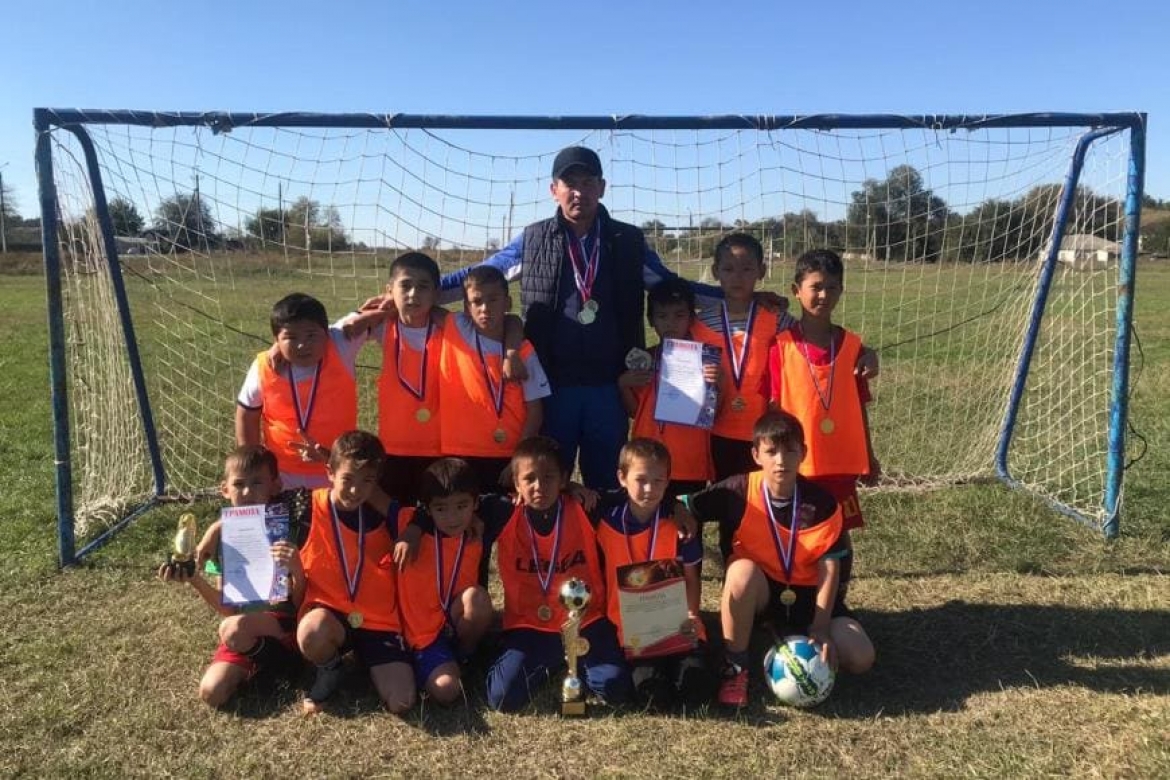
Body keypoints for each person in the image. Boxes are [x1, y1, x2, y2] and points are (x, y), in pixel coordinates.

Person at [439, 146, 727, 490]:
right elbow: (481, 274)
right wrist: (417, 294)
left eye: (588, 182)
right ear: (554, 190)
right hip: (553, 385)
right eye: (569, 183)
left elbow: (671, 286)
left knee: (607, 484)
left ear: (602, 187)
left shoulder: (627, 240)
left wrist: (741, 298)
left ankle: (605, 545)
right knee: (549, 483)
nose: (579, 192)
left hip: (610, 385)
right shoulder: (533, 239)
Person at [684, 411, 874, 707]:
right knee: (740, 573)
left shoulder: (822, 502)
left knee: (861, 657)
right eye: (771, 451)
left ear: (804, 453)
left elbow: (829, 568)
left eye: (790, 451)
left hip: (811, 601)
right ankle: (736, 666)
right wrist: (675, 511)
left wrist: (821, 625)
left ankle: (797, 637)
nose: (781, 460)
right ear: (756, 454)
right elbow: (688, 505)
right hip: (763, 595)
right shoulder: (737, 490)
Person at [475, 436, 632, 712]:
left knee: (616, 689)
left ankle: (570, 662)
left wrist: (677, 508)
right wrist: (416, 526)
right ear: (516, 483)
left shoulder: (585, 507)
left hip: (586, 620)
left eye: (549, 478)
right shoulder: (502, 512)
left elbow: (636, 499)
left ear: (563, 480)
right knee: (502, 699)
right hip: (529, 625)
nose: (539, 486)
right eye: (530, 479)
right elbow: (452, 501)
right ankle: (554, 659)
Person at [767, 249, 880, 597]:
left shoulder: (853, 346)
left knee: (838, 531)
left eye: (832, 288)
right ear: (796, 290)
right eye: (815, 287)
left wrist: (870, 456)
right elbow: (773, 408)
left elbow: (859, 405)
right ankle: (798, 600)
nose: (823, 296)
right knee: (797, 529)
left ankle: (838, 599)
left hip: (841, 462)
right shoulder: (781, 347)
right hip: (798, 461)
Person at [158, 445, 305, 707]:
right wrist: (194, 578)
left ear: (275, 485)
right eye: (239, 484)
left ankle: (291, 664)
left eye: (257, 482)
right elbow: (228, 608)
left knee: (234, 629)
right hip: (242, 628)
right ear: (225, 489)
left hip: (283, 623)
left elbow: (299, 600)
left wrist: (296, 569)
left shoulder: (289, 527)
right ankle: (266, 664)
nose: (248, 491)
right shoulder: (224, 540)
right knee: (211, 692)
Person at [296, 430, 415, 715]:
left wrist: (412, 531)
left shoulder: (383, 512)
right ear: (330, 473)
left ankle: (369, 656)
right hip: (331, 615)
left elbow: (419, 518)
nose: (355, 490)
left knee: (402, 702)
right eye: (347, 479)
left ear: (376, 482)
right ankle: (330, 668)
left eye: (367, 481)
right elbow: (258, 517)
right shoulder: (307, 507)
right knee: (312, 632)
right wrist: (217, 530)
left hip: (377, 620)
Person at [593, 438, 715, 708]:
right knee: (651, 696)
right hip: (631, 628)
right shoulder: (604, 522)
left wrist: (692, 616)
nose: (649, 489)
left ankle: (689, 664)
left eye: (658, 481)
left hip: (677, 624)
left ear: (668, 482)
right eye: (641, 480)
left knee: (695, 690)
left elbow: (692, 578)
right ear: (622, 478)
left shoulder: (680, 526)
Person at [692, 234, 797, 481]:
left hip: (766, 432)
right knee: (727, 504)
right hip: (717, 433)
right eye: (728, 269)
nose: (737, 277)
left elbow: (808, 343)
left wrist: (860, 352)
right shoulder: (699, 324)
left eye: (747, 269)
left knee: (763, 502)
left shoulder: (776, 318)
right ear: (715, 271)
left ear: (761, 271)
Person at [438, 265, 550, 494]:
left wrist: (519, 458)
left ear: (507, 303)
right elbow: (418, 305)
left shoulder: (524, 351)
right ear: (466, 308)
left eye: (493, 300)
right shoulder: (456, 327)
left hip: (507, 457)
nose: (485, 308)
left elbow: (535, 411)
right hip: (459, 452)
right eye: (476, 302)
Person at [235, 293, 362, 489]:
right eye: (291, 337)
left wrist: (384, 302)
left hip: (336, 469)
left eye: (311, 335)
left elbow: (387, 307)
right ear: (276, 339)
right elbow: (246, 415)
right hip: (281, 473)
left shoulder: (340, 344)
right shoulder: (264, 366)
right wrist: (254, 470)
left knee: (333, 519)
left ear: (326, 332)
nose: (302, 345)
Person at [394, 458, 493, 705]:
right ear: (427, 509)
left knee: (477, 599)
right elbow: (368, 494)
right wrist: (416, 526)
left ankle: (463, 657)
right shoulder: (406, 521)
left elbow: (528, 496)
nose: (453, 517)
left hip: (454, 618)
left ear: (475, 504)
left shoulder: (484, 522)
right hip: (421, 631)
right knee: (447, 691)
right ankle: (429, 664)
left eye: (462, 506)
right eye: (441, 509)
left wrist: (574, 488)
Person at [618, 278, 717, 498]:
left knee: (688, 529)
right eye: (662, 316)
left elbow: (715, 413)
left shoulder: (704, 362)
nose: (670, 323)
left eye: (679, 315)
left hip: (689, 464)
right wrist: (624, 386)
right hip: (647, 463)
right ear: (651, 320)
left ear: (692, 318)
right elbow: (636, 411)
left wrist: (715, 384)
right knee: (652, 525)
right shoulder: (644, 361)